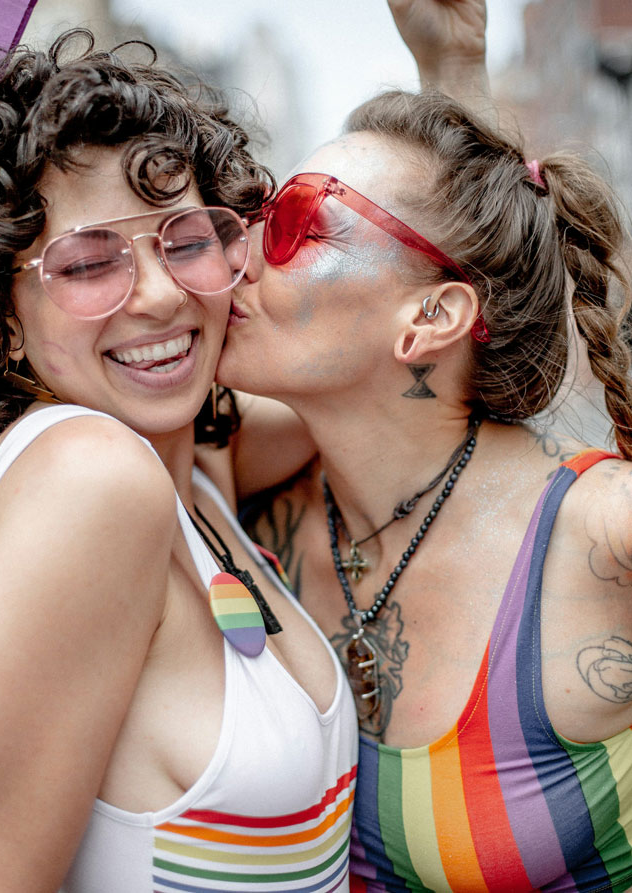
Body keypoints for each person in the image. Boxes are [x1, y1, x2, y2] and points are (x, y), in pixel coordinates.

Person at [0, 31, 359, 892]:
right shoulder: (92, 478)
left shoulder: (195, 463)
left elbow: (359, 389)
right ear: (2, 311)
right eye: (90, 263)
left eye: (187, 239)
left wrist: (451, 72)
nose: (161, 294)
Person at [220, 54, 632, 893]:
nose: (240, 251)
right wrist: (451, 68)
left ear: (434, 316)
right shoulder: (245, 496)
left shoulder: (599, 533)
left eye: (298, 218)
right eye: (253, 214)